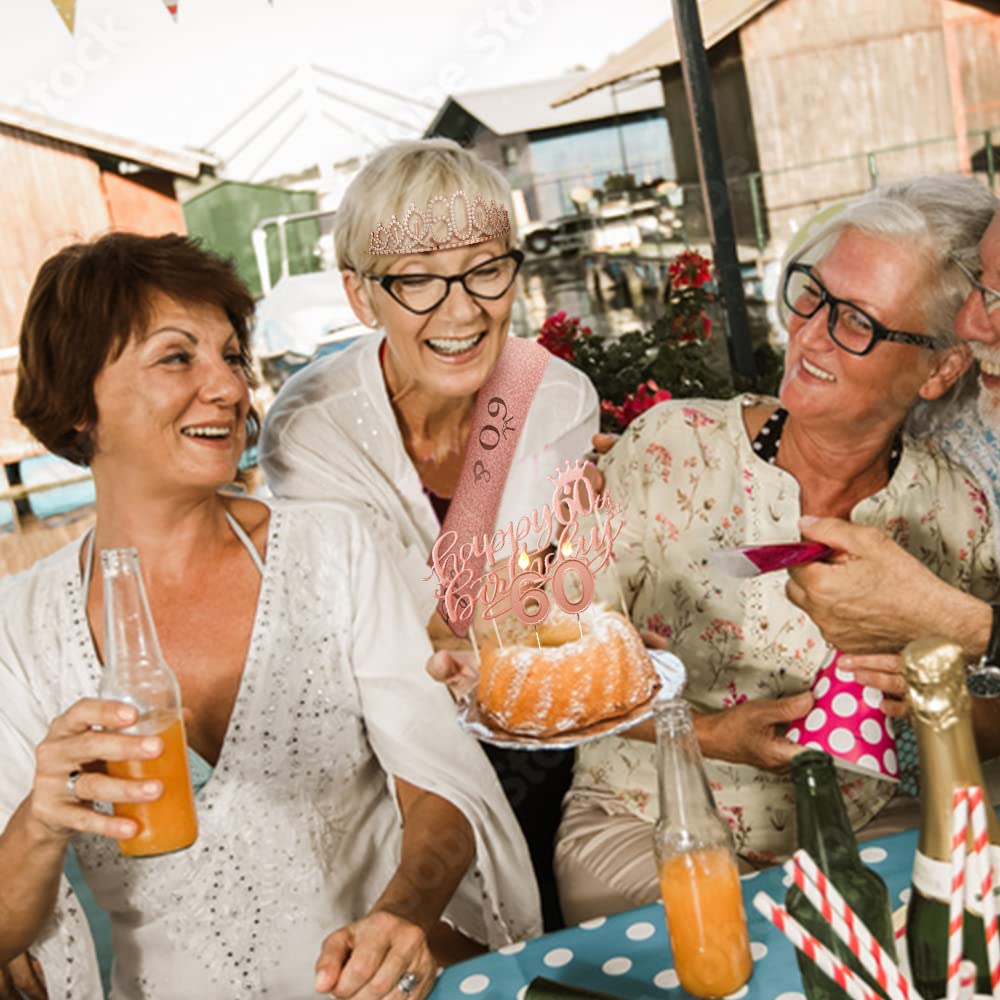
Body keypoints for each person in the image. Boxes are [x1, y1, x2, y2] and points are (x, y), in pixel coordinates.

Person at [0, 232, 540, 999]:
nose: (227, 388)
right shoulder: (18, 627)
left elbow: (441, 788)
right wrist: (39, 823)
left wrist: (400, 917)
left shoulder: (332, 549)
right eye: (178, 357)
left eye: (231, 357)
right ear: (77, 401)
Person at [554, 175, 998, 924]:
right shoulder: (670, 445)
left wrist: (927, 698)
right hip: (646, 816)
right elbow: (555, 670)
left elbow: (990, 720)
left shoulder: (960, 515)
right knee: (718, 943)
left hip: (858, 826)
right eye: (812, 294)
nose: (812, 333)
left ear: (939, 369)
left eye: (858, 321)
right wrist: (709, 736)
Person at [259, 138, 599, 929]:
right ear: (359, 295)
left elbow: (524, 624)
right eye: (416, 279)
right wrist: (497, 616)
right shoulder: (312, 431)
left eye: (486, 268)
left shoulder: (554, 397)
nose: (462, 309)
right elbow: (413, 644)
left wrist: (499, 618)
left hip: (545, 734)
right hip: (391, 751)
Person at [786, 202, 1000, 749]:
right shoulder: (951, 436)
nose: (971, 324)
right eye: (982, 286)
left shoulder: (966, 494)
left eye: (998, 299)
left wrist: (961, 625)